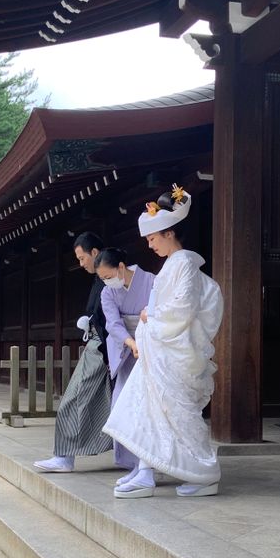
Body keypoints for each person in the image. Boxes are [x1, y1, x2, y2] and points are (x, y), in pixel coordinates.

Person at [103, 184, 224, 498]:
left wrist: (149, 317)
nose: (149, 244)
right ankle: (144, 472)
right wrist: (150, 316)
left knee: (177, 416)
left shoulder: (183, 263)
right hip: (160, 352)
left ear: (169, 233)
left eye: (153, 238)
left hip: (172, 352)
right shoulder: (173, 264)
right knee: (147, 411)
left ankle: (204, 472)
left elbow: (182, 309)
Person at [34, 232, 112, 472]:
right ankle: (65, 454)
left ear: (95, 253)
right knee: (96, 401)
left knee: (75, 399)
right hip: (100, 346)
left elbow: (114, 321)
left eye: (81, 258)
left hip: (103, 348)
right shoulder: (101, 280)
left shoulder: (109, 280)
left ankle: (64, 456)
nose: (80, 264)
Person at [94, 246, 155, 474]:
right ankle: (130, 461)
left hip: (150, 345)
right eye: (102, 279)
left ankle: (149, 460)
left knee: (148, 405)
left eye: (108, 277)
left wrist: (143, 340)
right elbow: (112, 323)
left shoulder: (151, 281)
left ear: (121, 267)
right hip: (127, 349)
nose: (106, 282)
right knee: (122, 403)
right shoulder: (107, 292)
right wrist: (131, 343)